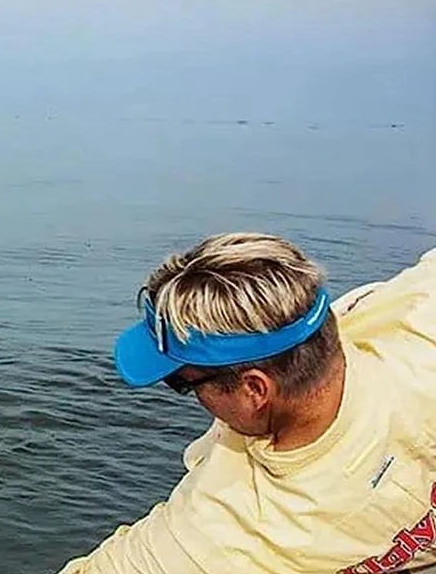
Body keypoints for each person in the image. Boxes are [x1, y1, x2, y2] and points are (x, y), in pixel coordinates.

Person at [57, 233, 436, 574]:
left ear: (255, 390)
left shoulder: (233, 531)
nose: (194, 399)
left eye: (183, 383)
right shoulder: (416, 319)